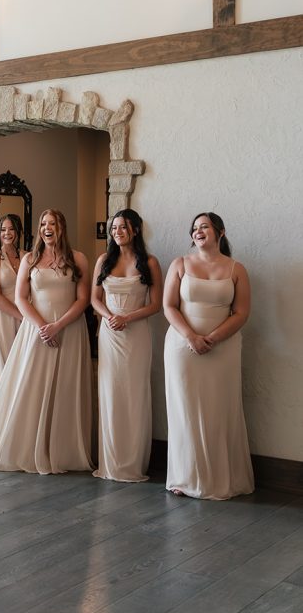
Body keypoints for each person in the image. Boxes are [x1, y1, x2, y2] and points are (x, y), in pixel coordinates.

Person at [0, 208, 92, 474]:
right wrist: (42, 327)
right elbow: (21, 298)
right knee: (29, 385)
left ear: (62, 227)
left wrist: (58, 325)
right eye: (43, 224)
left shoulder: (78, 258)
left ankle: (62, 450)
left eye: (53, 224)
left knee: (65, 386)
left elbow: (83, 299)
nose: (47, 228)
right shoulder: (31, 259)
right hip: (36, 329)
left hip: (70, 329)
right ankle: (25, 446)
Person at [163, 211, 254, 500]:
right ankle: (184, 476)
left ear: (220, 232)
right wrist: (191, 337)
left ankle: (222, 478)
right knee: (185, 410)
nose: (198, 231)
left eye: (204, 227)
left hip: (223, 348)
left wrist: (213, 338)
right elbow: (169, 306)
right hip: (182, 347)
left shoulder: (236, 269)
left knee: (220, 409)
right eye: (194, 228)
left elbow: (241, 313)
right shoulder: (180, 264)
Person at [91, 209, 162, 482]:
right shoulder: (104, 260)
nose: (117, 232)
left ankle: (133, 463)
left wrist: (127, 318)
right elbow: (94, 299)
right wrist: (110, 317)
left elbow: (156, 305)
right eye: (114, 228)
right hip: (109, 334)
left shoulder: (150, 262)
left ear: (136, 229)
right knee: (110, 393)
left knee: (134, 395)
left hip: (136, 335)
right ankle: (110, 462)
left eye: (122, 227)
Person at [0, 213, 26, 405]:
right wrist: (22, 316)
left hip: (27, 316)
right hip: (3, 319)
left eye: (11, 229)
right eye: (2, 230)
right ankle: (0, 413)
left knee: (24, 368)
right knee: (4, 368)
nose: (7, 233)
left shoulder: (28, 256)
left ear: (19, 232)